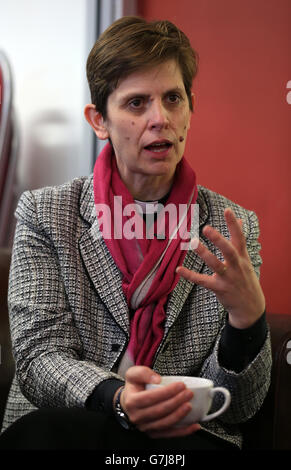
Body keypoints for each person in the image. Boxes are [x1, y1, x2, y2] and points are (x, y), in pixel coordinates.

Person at [0, 16, 271, 451]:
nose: (160, 119)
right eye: (136, 103)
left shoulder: (231, 227)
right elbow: (38, 361)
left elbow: (240, 408)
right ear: (99, 120)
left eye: (172, 98)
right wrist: (120, 397)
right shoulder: (46, 213)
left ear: (190, 107)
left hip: (184, 439)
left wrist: (248, 322)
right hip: (75, 426)